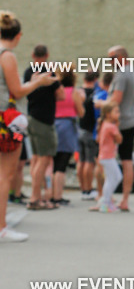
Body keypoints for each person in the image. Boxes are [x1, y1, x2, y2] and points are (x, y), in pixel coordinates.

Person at [0, 12, 59, 241]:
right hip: (6, 118)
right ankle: (2, 226)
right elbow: (16, 91)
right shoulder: (8, 56)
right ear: (19, 36)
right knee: (5, 176)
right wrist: (39, 82)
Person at [23, 44, 63, 210]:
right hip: (44, 120)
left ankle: (37, 196)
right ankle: (35, 197)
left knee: (36, 159)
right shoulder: (49, 71)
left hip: (31, 117)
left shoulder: (28, 71)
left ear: (33, 54)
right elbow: (61, 95)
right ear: (47, 55)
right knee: (45, 158)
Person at [108, 46, 134, 211]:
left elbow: (116, 99)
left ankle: (107, 197)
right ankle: (125, 199)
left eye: (112, 58)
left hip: (118, 123)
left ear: (121, 57)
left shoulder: (121, 74)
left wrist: (100, 103)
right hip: (133, 119)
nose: (110, 61)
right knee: (127, 159)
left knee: (106, 158)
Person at [52, 66, 84, 205]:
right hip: (67, 126)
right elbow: (81, 112)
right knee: (62, 163)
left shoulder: (54, 91)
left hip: (53, 124)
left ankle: (50, 193)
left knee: (52, 162)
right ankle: (58, 196)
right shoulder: (74, 92)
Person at [90, 100, 122, 213]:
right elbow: (119, 139)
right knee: (116, 177)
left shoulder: (104, 124)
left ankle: (106, 201)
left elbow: (99, 139)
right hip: (108, 156)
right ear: (108, 114)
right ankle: (106, 201)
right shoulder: (111, 127)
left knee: (110, 178)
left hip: (104, 155)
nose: (119, 114)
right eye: (116, 112)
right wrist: (117, 126)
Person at [76, 70, 99, 200]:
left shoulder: (79, 92)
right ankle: (89, 189)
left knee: (81, 160)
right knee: (90, 162)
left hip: (80, 128)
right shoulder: (95, 93)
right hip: (91, 130)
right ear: (96, 79)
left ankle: (82, 188)